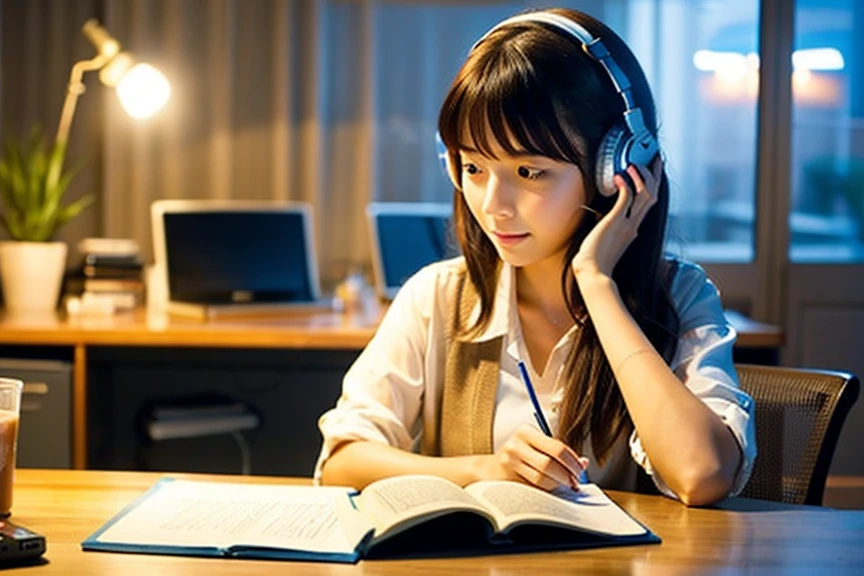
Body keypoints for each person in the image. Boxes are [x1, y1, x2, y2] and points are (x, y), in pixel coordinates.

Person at [315, 8, 756, 506]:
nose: (492, 205)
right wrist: (486, 469)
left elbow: (703, 473)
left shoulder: (680, 296)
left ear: (615, 169)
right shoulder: (436, 297)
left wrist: (597, 284)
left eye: (530, 172)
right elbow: (342, 461)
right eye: (474, 167)